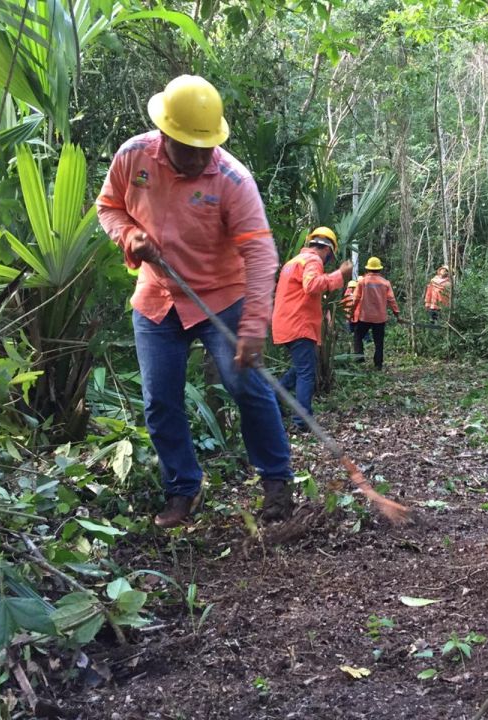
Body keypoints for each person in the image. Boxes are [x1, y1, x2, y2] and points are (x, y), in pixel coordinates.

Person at [96, 75, 294, 528]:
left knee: (245, 383)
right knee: (160, 398)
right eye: (188, 147)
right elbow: (108, 206)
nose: (199, 156)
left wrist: (252, 327)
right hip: (156, 297)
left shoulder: (231, 179)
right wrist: (130, 235)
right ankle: (182, 490)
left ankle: (277, 484)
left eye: (206, 146)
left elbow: (261, 253)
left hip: (223, 297)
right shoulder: (133, 157)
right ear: (165, 134)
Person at [271, 227, 353, 432]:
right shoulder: (313, 260)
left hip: (286, 323)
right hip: (299, 324)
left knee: (303, 367)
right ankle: (302, 422)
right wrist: (340, 274)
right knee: (306, 372)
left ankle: (274, 395)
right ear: (328, 250)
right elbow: (311, 285)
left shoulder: (293, 262)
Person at [352, 257, 400, 369]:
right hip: (380, 318)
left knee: (358, 337)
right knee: (379, 342)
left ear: (368, 269)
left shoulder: (362, 281)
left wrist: (351, 312)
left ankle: (359, 358)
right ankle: (378, 365)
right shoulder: (385, 283)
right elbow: (391, 300)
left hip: (365, 316)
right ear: (379, 269)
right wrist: (397, 314)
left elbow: (355, 299)